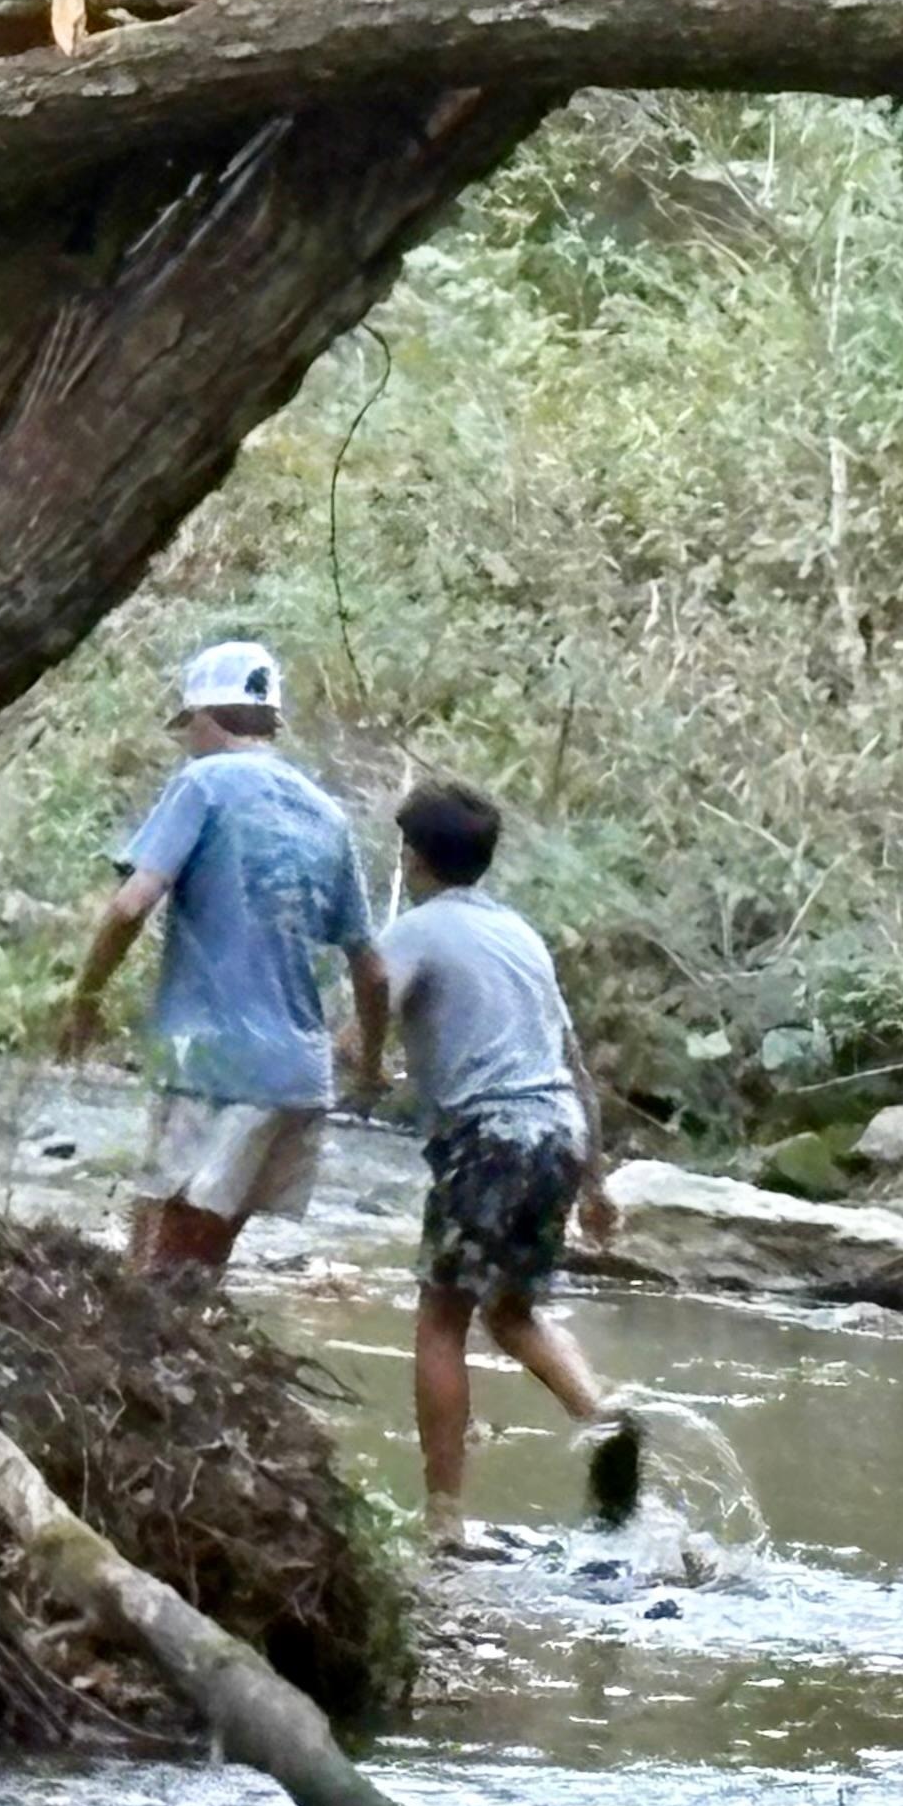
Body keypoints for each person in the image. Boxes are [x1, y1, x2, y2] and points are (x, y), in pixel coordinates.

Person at [357, 780, 640, 1549]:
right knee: (511, 1311)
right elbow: (573, 1066)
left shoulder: (412, 932)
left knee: (440, 1320)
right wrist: (596, 1182)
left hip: (486, 1139)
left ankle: (444, 1518)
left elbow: (368, 1002)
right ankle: (603, 1415)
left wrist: (366, 1064)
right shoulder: (521, 935)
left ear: (410, 856)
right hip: (553, 1134)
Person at [61, 640, 386, 1279]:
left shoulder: (202, 783)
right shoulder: (327, 814)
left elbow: (130, 907)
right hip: (298, 1074)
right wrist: (370, 1067)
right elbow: (372, 969)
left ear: (206, 716)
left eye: (189, 728)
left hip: (211, 1061)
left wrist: (86, 1000)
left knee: (157, 1259)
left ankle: (135, 1369)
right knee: (197, 1261)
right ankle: (162, 1367)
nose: (188, 741)